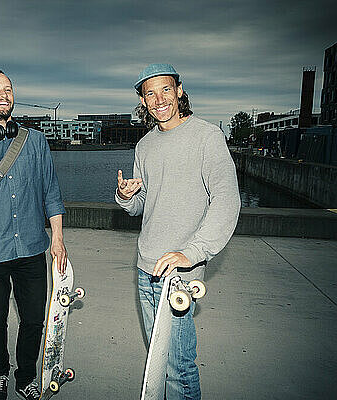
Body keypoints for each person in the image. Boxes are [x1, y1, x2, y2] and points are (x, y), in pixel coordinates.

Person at [116, 63, 240, 399]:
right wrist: (127, 196)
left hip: (180, 273)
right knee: (159, 361)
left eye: (165, 90)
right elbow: (143, 203)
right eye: (150, 93)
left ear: (179, 91)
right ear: (143, 102)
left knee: (178, 366)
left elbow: (227, 201)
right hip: (146, 268)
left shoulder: (206, 136)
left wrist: (193, 253)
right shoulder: (145, 146)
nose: (159, 99)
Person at [0, 70, 67, 400]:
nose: (3, 94)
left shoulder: (35, 141)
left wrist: (58, 240)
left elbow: (51, 191)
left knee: (34, 319)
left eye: (7, 89)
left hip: (32, 248)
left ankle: (26, 377)